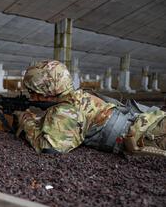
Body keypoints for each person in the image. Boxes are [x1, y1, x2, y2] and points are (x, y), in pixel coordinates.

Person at [14, 60, 166, 157]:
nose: (32, 97)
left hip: (150, 135)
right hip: (151, 122)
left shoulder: (66, 111)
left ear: (47, 92)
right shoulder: (80, 96)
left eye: (33, 92)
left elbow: (50, 148)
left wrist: (26, 120)